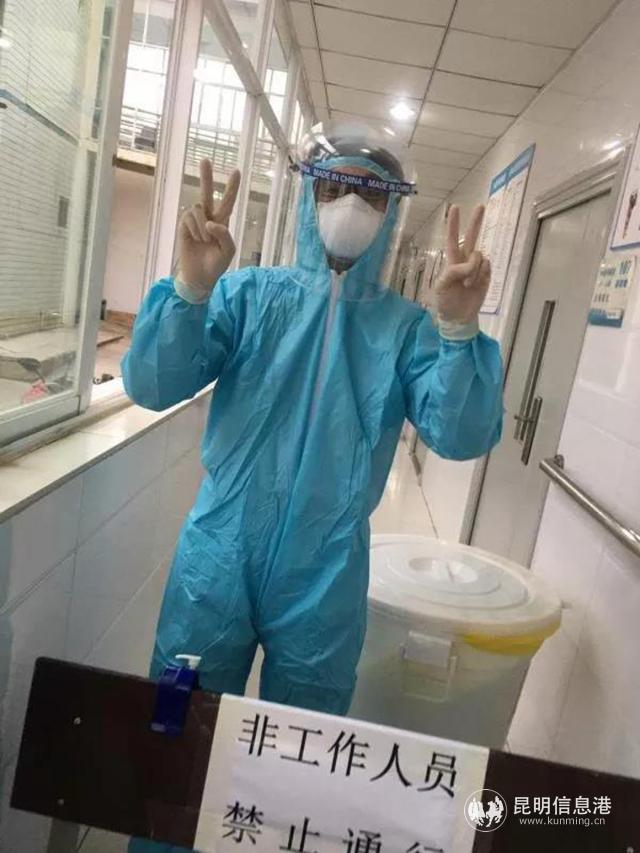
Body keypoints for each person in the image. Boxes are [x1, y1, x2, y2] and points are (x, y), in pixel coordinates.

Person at [123, 120, 502, 852]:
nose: (350, 205)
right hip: (217, 561)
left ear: (392, 210)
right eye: (334, 186)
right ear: (307, 193)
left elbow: (460, 434)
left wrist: (458, 331)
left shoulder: (406, 329)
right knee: (177, 735)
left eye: (370, 193)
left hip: (324, 577)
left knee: (299, 761)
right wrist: (192, 289)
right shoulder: (248, 295)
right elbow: (151, 382)